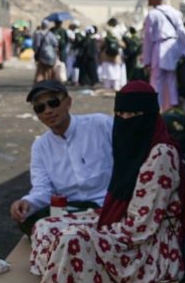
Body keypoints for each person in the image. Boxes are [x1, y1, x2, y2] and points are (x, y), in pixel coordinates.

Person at [29, 81, 185, 283]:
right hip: (115, 217)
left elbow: (140, 228)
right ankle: (63, 267)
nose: (125, 121)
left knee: (71, 240)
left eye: (133, 114)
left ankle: (65, 269)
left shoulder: (160, 155)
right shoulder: (133, 145)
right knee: (44, 226)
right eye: (120, 114)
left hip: (148, 246)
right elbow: (41, 189)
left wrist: (93, 235)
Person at [10, 80, 114, 233]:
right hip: (69, 212)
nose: (48, 111)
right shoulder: (41, 146)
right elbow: (43, 190)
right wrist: (27, 202)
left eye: (53, 102)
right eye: (40, 108)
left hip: (106, 206)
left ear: (68, 102)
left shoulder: (100, 124)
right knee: (28, 220)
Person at [142, 0, 185, 110]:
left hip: (160, 48)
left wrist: (146, 60)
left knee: (157, 79)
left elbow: (148, 38)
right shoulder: (174, 12)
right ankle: (172, 105)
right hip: (174, 48)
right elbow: (182, 32)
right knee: (171, 78)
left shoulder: (152, 15)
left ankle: (157, 106)